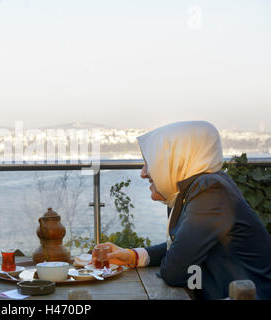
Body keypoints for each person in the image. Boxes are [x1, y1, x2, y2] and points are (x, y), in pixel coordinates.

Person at [93, 121, 271, 300]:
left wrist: (172, 260)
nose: (143, 173)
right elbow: (186, 245)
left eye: (150, 163)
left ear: (174, 160)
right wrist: (133, 256)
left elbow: (175, 271)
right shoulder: (200, 187)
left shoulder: (210, 190)